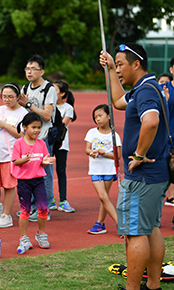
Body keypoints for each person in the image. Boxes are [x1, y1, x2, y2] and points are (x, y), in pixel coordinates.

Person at [100, 43, 170, 290]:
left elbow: (151, 122)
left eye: (120, 64)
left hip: (142, 177)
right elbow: (119, 101)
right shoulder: (145, 87)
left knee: (135, 232)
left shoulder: (145, 92)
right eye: (116, 64)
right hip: (155, 175)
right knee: (151, 228)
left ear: (136, 64)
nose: (118, 69)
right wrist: (109, 68)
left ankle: (132, 288)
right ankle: (153, 286)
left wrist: (139, 155)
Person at [18, 54, 58, 221]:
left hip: (43, 138)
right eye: (27, 68)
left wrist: (29, 105)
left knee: (45, 173)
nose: (29, 72)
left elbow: (47, 115)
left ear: (42, 71)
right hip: (29, 138)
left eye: (33, 69)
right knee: (30, 172)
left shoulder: (49, 90)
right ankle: (33, 206)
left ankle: (45, 208)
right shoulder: (25, 88)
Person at [11, 112, 55, 254]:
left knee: (43, 208)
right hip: (24, 182)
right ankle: (23, 237)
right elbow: (16, 161)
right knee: (25, 211)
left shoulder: (41, 144)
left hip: (38, 181)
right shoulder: (19, 144)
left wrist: (44, 162)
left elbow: (44, 160)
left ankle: (41, 234)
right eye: (33, 127)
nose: (36, 130)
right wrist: (24, 160)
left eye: (38, 127)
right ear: (24, 127)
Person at [0, 82, 27, 228]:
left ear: (18, 97)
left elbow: (21, 134)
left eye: (10, 97)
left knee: (9, 186)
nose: (7, 100)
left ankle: (7, 215)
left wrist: (5, 125)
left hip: (11, 156)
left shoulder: (23, 113)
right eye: (4, 96)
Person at [85, 104, 122, 235]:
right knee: (103, 196)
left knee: (104, 198)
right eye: (95, 117)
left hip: (109, 170)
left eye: (100, 116)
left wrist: (104, 153)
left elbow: (118, 156)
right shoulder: (92, 132)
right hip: (95, 170)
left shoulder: (114, 135)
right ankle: (121, 224)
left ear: (108, 116)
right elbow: (87, 149)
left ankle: (100, 224)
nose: (98, 119)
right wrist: (92, 153)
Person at [53, 80, 76, 213]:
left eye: (54, 90)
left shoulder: (68, 108)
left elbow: (62, 125)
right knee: (45, 172)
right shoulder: (47, 105)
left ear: (62, 94)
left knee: (61, 171)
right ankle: (49, 199)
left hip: (61, 144)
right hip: (47, 142)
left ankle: (63, 200)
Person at [159, 60, 174, 207]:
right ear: (171, 70)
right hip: (166, 141)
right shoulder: (163, 89)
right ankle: (155, 219)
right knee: (162, 181)